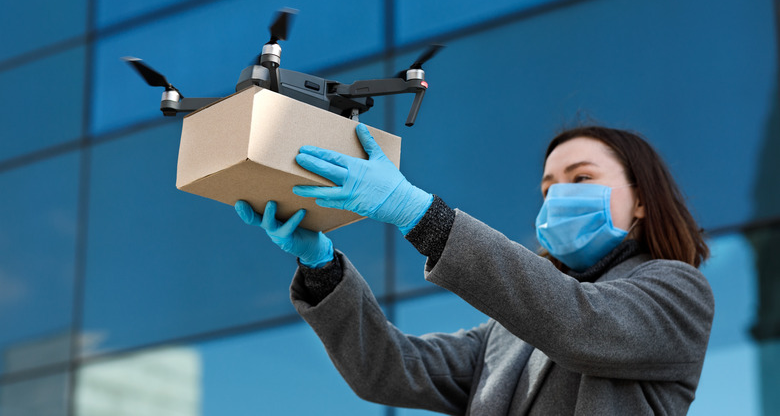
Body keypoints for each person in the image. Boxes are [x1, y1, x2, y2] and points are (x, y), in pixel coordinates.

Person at [234, 123, 714, 415]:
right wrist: (321, 268)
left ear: (643, 201)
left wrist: (418, 213)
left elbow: (578, 321)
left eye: (582, 178)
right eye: (548, 188)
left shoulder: (677, 292)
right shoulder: (505, 335)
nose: (559, 196)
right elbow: (390, 371)